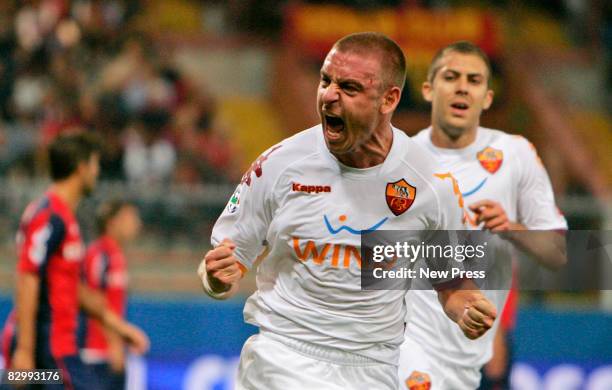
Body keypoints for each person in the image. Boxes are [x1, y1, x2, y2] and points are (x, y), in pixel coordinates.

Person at [197, 32, 497, 390]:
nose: (329, 95)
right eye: (326, 80)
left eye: (350, 87)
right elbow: (220, 263)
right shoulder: (280, 165)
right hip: (283, 356)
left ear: (389, 99)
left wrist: (465, 308)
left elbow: (452, 282)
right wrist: (215, 278)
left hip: (373, 368)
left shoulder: (432, 184)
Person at [398, 41, 567, 390]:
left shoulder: (515, 154)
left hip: (470, 354)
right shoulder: (402, 160)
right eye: (451, 76)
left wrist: (512, 228)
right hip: (408, 340)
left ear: (487, 97)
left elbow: (556, 252)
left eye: (474, 80)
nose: (462, 86)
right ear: (429, 89)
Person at [1, 133, 149, 390]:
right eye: (94, 164)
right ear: (82, 168)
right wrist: (25, 350)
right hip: (45, 351)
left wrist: (119, 327)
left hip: (58, 351)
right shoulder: (49, 215)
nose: (97, 171)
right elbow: (28, 275)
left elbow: (72, 288)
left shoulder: (65, 218)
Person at [79, 200, 142, 390]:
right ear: (112, 222)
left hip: (108, 352)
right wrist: (113, 344)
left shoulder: (116, 256)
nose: (136, 224)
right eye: (129, 218)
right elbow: (93, 302)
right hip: (93, 354)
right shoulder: (98, 255)